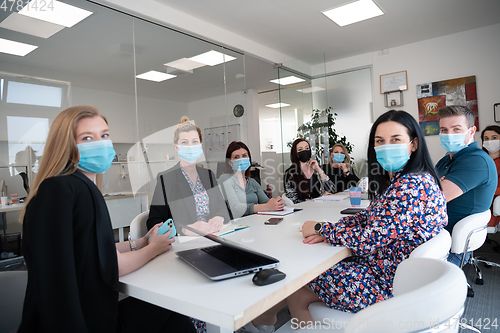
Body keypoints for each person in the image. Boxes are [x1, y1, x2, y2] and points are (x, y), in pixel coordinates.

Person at [18, 105, 195, 333]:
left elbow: (87, 251)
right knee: (172, 307)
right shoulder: (72, 189)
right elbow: (109, 266)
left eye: (104, 135)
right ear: (67, 145)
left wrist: (139, 243)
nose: (100, 143)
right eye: (87, 137)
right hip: (84, 324)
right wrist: (154, 249)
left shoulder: (64, 188)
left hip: (76, 318)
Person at [284, 110, 447, 325]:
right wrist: (330, 229)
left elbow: (369, 239)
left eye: (395, 139)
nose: (386, 146)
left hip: (384, 286)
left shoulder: (411, 186)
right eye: (380, 141)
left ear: (414, 143)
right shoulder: (407, 180)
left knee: (299, 271)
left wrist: (323, 229)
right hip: (389, 271)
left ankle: (265, 317)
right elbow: (368, 218)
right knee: (300, 287)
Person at [147, 116, 230, 236]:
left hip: (214, 236)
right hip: (184, 241)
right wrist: (185, 229)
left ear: (201, 146)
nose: (190, 146)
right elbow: (154, 223)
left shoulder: (208, 175)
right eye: (184, 142)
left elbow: (223, 206)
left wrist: (219, 217)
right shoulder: (166, 179)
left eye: (194, 142)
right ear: (176, 147)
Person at [435, 106, 497, 266]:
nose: (449, 135)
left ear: (471, 131)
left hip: (446, 244)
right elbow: (428, 190)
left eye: (456, 129)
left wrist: (434, 187)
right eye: (444, 129)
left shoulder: (476, 161)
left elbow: (430, 199)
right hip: (433, 234)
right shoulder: (446, 159)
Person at [218, 141, 285, 218]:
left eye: (244, 156)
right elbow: (236, 209)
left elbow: (267, 202)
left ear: (249, 159)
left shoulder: (252, 182)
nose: (241, 159)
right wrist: (267, 206)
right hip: (236, 225)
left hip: (255, 222)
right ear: (230, 162)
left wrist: (278, 203)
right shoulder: (225, 179)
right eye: (236, 157)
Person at [283, 138, 335, 204]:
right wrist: (319, 198)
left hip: (322, 208)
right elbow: (294, 201)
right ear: (295, 153)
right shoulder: (290, 174)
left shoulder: (317, 170)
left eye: (307, 148)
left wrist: (318, 169)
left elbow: (332, 191)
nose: (304, 151)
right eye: (300, 149)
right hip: (303, 212)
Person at [481, 125, 500, 228]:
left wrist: (487, 190)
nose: (490, 141)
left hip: (491, 206)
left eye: (494, 138)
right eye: (486, 138)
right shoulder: (479, 160)